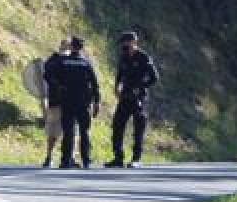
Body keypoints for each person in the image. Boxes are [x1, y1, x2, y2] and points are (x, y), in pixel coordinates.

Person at [45, 36, 100, 169]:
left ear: (72, 47)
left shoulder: (62, 62)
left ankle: (65, 160)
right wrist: (97, 102)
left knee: (68, 131)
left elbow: (47, 75)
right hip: (83, 103)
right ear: (81, 48)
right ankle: (86, 160)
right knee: (84, 132)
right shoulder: (86, 63)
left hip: (67, 101)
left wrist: (58, 87)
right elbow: (95, 84)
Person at [106, 31, 159, 168]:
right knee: (117, 125)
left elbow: (154, 78)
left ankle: (136, 159)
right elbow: (120, 73)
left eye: (126, 43)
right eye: (123, 43)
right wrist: (116, 86)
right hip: (125, 96)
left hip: (139, 97)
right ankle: (118, 157)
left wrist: (141, 87)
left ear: (134, 42)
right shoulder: (123, 57)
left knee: (138, 128)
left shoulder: (143, 57)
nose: (124, 46)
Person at [38, 39, 71, 167]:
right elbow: (46, 77)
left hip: (61, 102)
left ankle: (60, 157)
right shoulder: (56, 61)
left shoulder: (52, 61)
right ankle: (52, 156)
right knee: (57, 131)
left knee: (62, 132)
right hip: (60, 101)